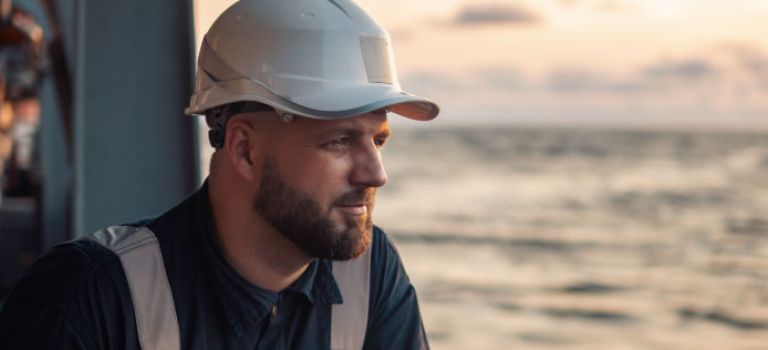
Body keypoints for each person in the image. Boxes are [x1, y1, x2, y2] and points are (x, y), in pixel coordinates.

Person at [0, 0, 439, 349]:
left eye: (377, 140)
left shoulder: (369, 273)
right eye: (340, 141)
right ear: (245, 150)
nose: (376, 174)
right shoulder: (88, 301)